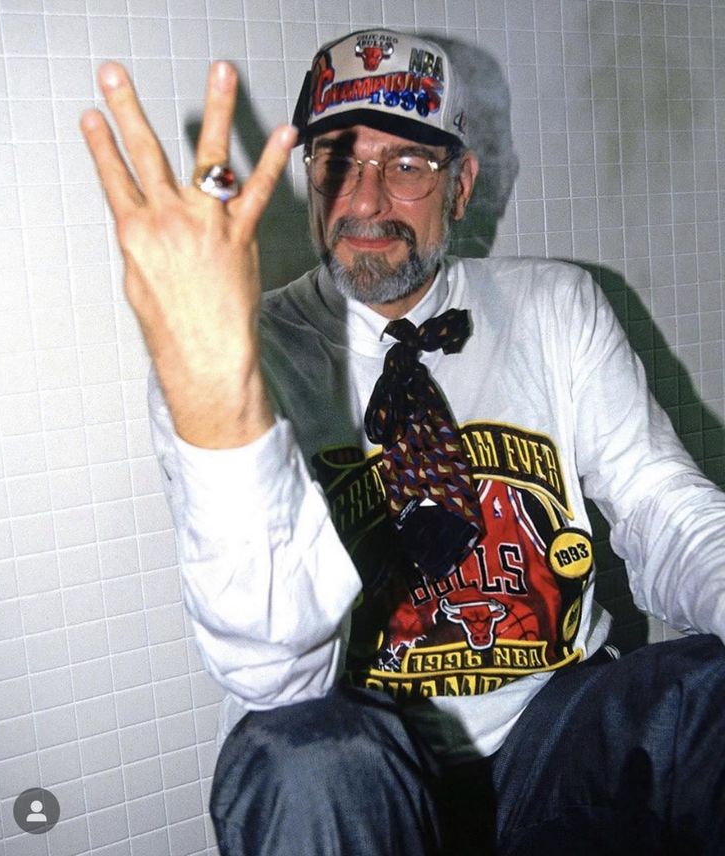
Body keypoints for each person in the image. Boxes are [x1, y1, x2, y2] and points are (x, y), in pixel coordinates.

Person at [81, 27, 725, 856]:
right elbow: (273, 680)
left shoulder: (557, 307)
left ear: (462, 187)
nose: (365, 200)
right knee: (300, 757)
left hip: (562, 734)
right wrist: (215, 384)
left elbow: (661, 506)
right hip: (368, 759)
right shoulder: (236, 353)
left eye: (408, 165)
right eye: (337, 161)